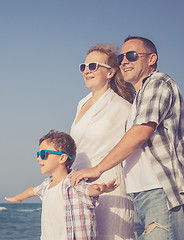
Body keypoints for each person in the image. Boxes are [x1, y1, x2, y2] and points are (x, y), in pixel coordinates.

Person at [70, 36, 184, 240]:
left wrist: (97, 169)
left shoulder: (158, 83)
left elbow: (139, 133)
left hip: (160, 191)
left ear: (151, 59)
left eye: (131, 55)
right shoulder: (139, 98)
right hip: (140, 195)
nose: (124, 60)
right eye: (122, 56)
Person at [70, 44, 136, 239]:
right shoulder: (81, 103)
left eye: (93, 66)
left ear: (110, 73)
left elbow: (135, 143)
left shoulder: (123, 107)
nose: (86, 71)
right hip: (80, 185)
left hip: (110, 184)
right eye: (84, 66)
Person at [5, 130, 119, 240]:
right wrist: (16, 198)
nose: (38, 158)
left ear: (62, 158)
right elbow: (32, 191)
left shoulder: (72, 182)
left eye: (43, 154)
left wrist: (100, 189)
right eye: (38, 154)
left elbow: (88, 190)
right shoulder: (46, 185)